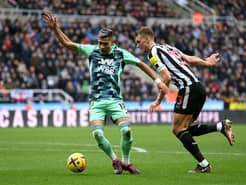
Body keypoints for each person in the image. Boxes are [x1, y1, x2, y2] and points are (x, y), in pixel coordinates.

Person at [42, 13, 168, 175]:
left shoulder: (121, 54)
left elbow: (141, 64)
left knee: (126, 131)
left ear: (112, 42)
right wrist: (55, 28)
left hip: (115, 100)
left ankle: (126, 162)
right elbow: (68, 43)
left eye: (105, 44)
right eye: (100, 43)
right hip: (96, 101)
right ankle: (115, 160)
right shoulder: (92, 51)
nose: (101, 46)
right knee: (97, 134)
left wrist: (157, 81)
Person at [135, 26, 235, 173]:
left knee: (178, 129)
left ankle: (204, 165)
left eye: (138, 42)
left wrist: (158, 100)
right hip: (198, 87)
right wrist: (207, 63)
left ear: (147, 39)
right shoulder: (168, 47)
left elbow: (166, 77)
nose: (137, 46)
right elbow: (189, 59)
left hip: (188, 88)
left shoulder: (153, 54)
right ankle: (220, 126)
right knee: (186, 128)